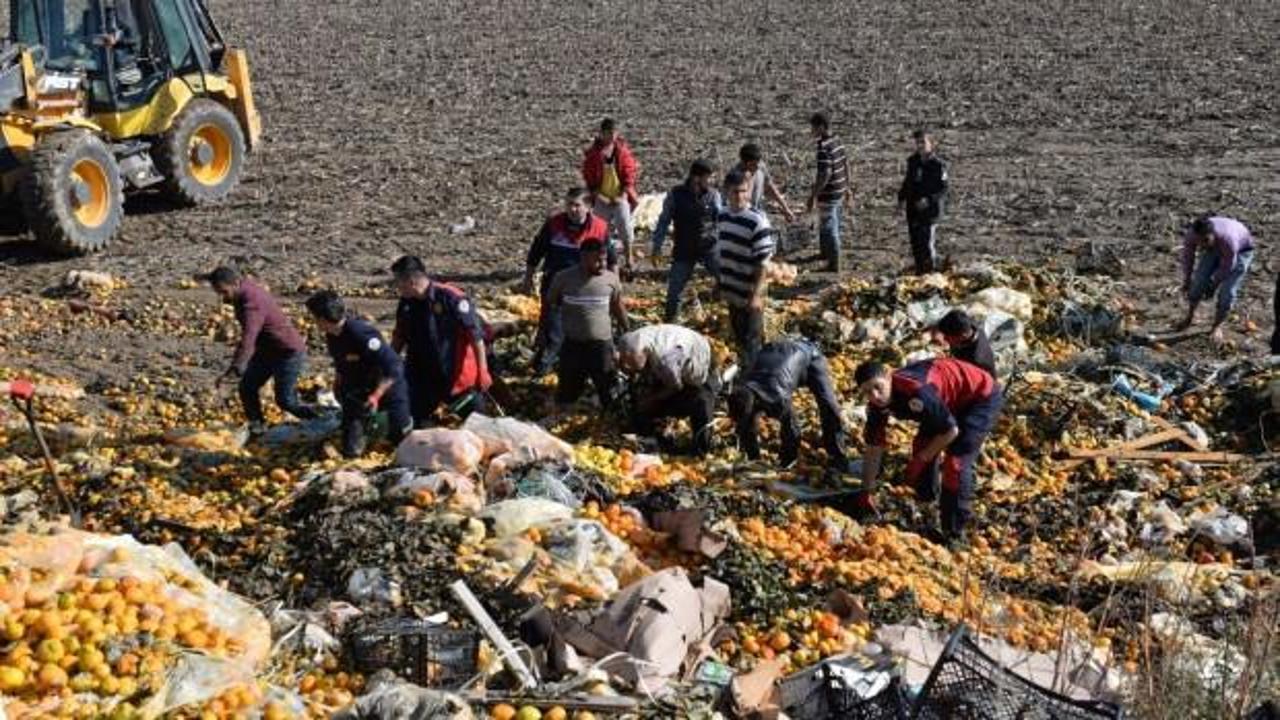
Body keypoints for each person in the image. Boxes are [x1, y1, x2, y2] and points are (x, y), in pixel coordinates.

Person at [852, 358, 1002, 544]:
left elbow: (950, 431)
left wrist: (922, 459)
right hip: (945, 400)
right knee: (921, 446)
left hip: (979, 397)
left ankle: (954, 534)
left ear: (889, 378)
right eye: (867, 392)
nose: (875, 396)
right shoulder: (876, 407)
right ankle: (927, 505)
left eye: (878, 387)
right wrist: (866, 489)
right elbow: (873, 448)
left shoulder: (916, 390)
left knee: (955, 464)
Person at [205, 266, 314, 435]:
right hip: (266, 351)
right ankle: (258, 427)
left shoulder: (252, 303)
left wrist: (235, 370)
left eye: (224, 292)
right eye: (218, 292)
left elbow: (248, 339)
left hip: (287, 352)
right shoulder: (243, 288)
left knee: (285, 401)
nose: (222, 297)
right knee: (247, 388)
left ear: (235, 283)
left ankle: (318, 417)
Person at [305, 290, 412, 458]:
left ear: (323, 319)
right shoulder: (332, 336)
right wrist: (338, 383)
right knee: (351, 449)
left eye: (314, 318)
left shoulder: (360, 334)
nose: (314, 322)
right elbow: (341, 363)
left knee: (400, 440)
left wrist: (376, 395)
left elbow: (393, 368)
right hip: (358, 390)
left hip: (387, 388)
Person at [390, 256, 491, 426]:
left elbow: (476, 337)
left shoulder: (451, 298)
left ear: (411, 281)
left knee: (477, 423)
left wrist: (483, 370)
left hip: (456, 376)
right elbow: (399, 336)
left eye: (398, 282)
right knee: (418, 424)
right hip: (422, 376)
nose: (396, 287)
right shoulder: (406, 303)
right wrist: (389, 363)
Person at [728, 338, 852, 472]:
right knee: (747, 423)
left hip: (810, 356)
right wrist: (754, 460)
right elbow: (746, 425)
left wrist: (786, 462)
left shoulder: (777, 395)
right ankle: (754, 456)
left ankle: (838, 456)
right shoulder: (742, 386)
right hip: (777, 354)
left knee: (828, 404)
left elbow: (792, 428)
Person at [523, 188, 612, 375]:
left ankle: (577, 366)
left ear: (588, 207)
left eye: (577, 205)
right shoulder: (554, 224)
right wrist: (528, 278)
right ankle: (542, 367)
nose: (572, 209)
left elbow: (610, 258)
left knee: (584, 329)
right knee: (553, 328)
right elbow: (536, 252)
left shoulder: (599, 227)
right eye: (569, 204)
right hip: (556, 284)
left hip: (586, 287)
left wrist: (613, 285)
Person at [546, 238, 630, 409]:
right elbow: (551, 304)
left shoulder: (611, 279)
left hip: (602, 345)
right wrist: (545, 333)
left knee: (608, 389)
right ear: (583, 258)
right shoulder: (563, 278)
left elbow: (617, 305)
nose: (602, 264)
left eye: (604, 259)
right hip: (573, 344)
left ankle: (609, 416)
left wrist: (627, 330)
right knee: (568, 390)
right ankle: (565, 415)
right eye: (597, 260)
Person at [618, 324, 718, 456]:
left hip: (699, 358)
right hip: (677, 353)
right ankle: (652, 434)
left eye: (634, 363)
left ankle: (701, 450)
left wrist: (652, 398)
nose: (630, 366)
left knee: (701, 402)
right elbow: (629, 362)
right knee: (648, 396)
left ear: (644, 352)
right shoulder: (634, 339)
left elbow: (676, 387)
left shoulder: (666, 361)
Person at [718, 169, 776, 370]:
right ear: (726, 191)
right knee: (739, 336)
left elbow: (763, 263)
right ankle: (744, 372)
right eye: (735, 191)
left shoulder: (757, 221)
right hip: (732, 289)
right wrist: (720, 283)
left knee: (752, 340)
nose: (740, 196)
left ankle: (753, 378)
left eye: (744, 191)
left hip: (749, 291)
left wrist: (756, 295)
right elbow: (722, 253)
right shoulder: (722, 216)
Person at [651, 159, 722, 322]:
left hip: (709, 246)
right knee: (674, 291)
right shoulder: (675, 195)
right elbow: (664, 221)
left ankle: (729, 310)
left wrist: (719, 238)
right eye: (708, 177)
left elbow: (721, 220)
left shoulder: (714, 195)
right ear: (696, 177)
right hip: (684, 248)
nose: (711, 181)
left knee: (726, 278)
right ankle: (671, 321)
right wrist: (657, 247)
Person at [1177, 215, 1256, 344]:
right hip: (1214, 247)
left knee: (1227, 291)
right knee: (1199, 281)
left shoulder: (1228, 239)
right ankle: (1190, 316)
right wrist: (1187, 279)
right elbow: (1188, 257)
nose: (1202, 244)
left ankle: (1217, 326)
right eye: (1199, 242)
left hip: (1241, 250)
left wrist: (1213, 285)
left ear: (1212, 234)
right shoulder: (1192, 235)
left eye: (1205, 240)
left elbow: (1228, 267)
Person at [581, 117, 639, 274]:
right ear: (601, 133)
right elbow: (589, 177)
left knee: (625, 227)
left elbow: (629, 173)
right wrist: (600, 196)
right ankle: (602, 259)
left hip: (620, 196)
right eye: (607, 133)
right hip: (601, 198)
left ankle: (629, 257)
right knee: (600, 230)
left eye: (613, 133)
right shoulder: (594, 154)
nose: (611, 136)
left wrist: (623, 194)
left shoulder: (622, 152)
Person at [897, 129, 949, 274]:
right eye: (917, 142)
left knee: (926, 244)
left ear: (931, 144)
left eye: (923, 142)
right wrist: (901, 198)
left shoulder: (938, 165)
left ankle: (930, 272)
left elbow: (943, 188)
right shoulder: (913, 161)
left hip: (929, 211)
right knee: (916, 244)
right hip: (913, 209)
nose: (920, 146)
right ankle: (919, 273)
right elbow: (908, 182)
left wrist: (929, 200)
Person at [805, 113, 852, 272]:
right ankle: (825, 253)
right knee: (830, 224)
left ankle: (834, 263)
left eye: (813, 127)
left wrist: (814, 195)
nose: (811, 131)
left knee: (830, 227)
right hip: (839, 190)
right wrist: (847, 187)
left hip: (829, 193)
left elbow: (825, 174)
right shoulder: (838, 140)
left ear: (821, 127)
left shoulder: (823, 147)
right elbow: (846, 164)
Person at [731, 143, 796, 223]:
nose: (757, 167)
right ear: (745, 163)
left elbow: (770, 187)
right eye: (753, 164)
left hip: (758, 212)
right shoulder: (735, 176)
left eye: (758, 163)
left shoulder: (760, 166)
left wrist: (785, 208)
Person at [934, 309, 997, 379]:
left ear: (962, 336)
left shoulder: (974, 359)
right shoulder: (970, 326)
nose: (945, 339)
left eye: (948, 337)